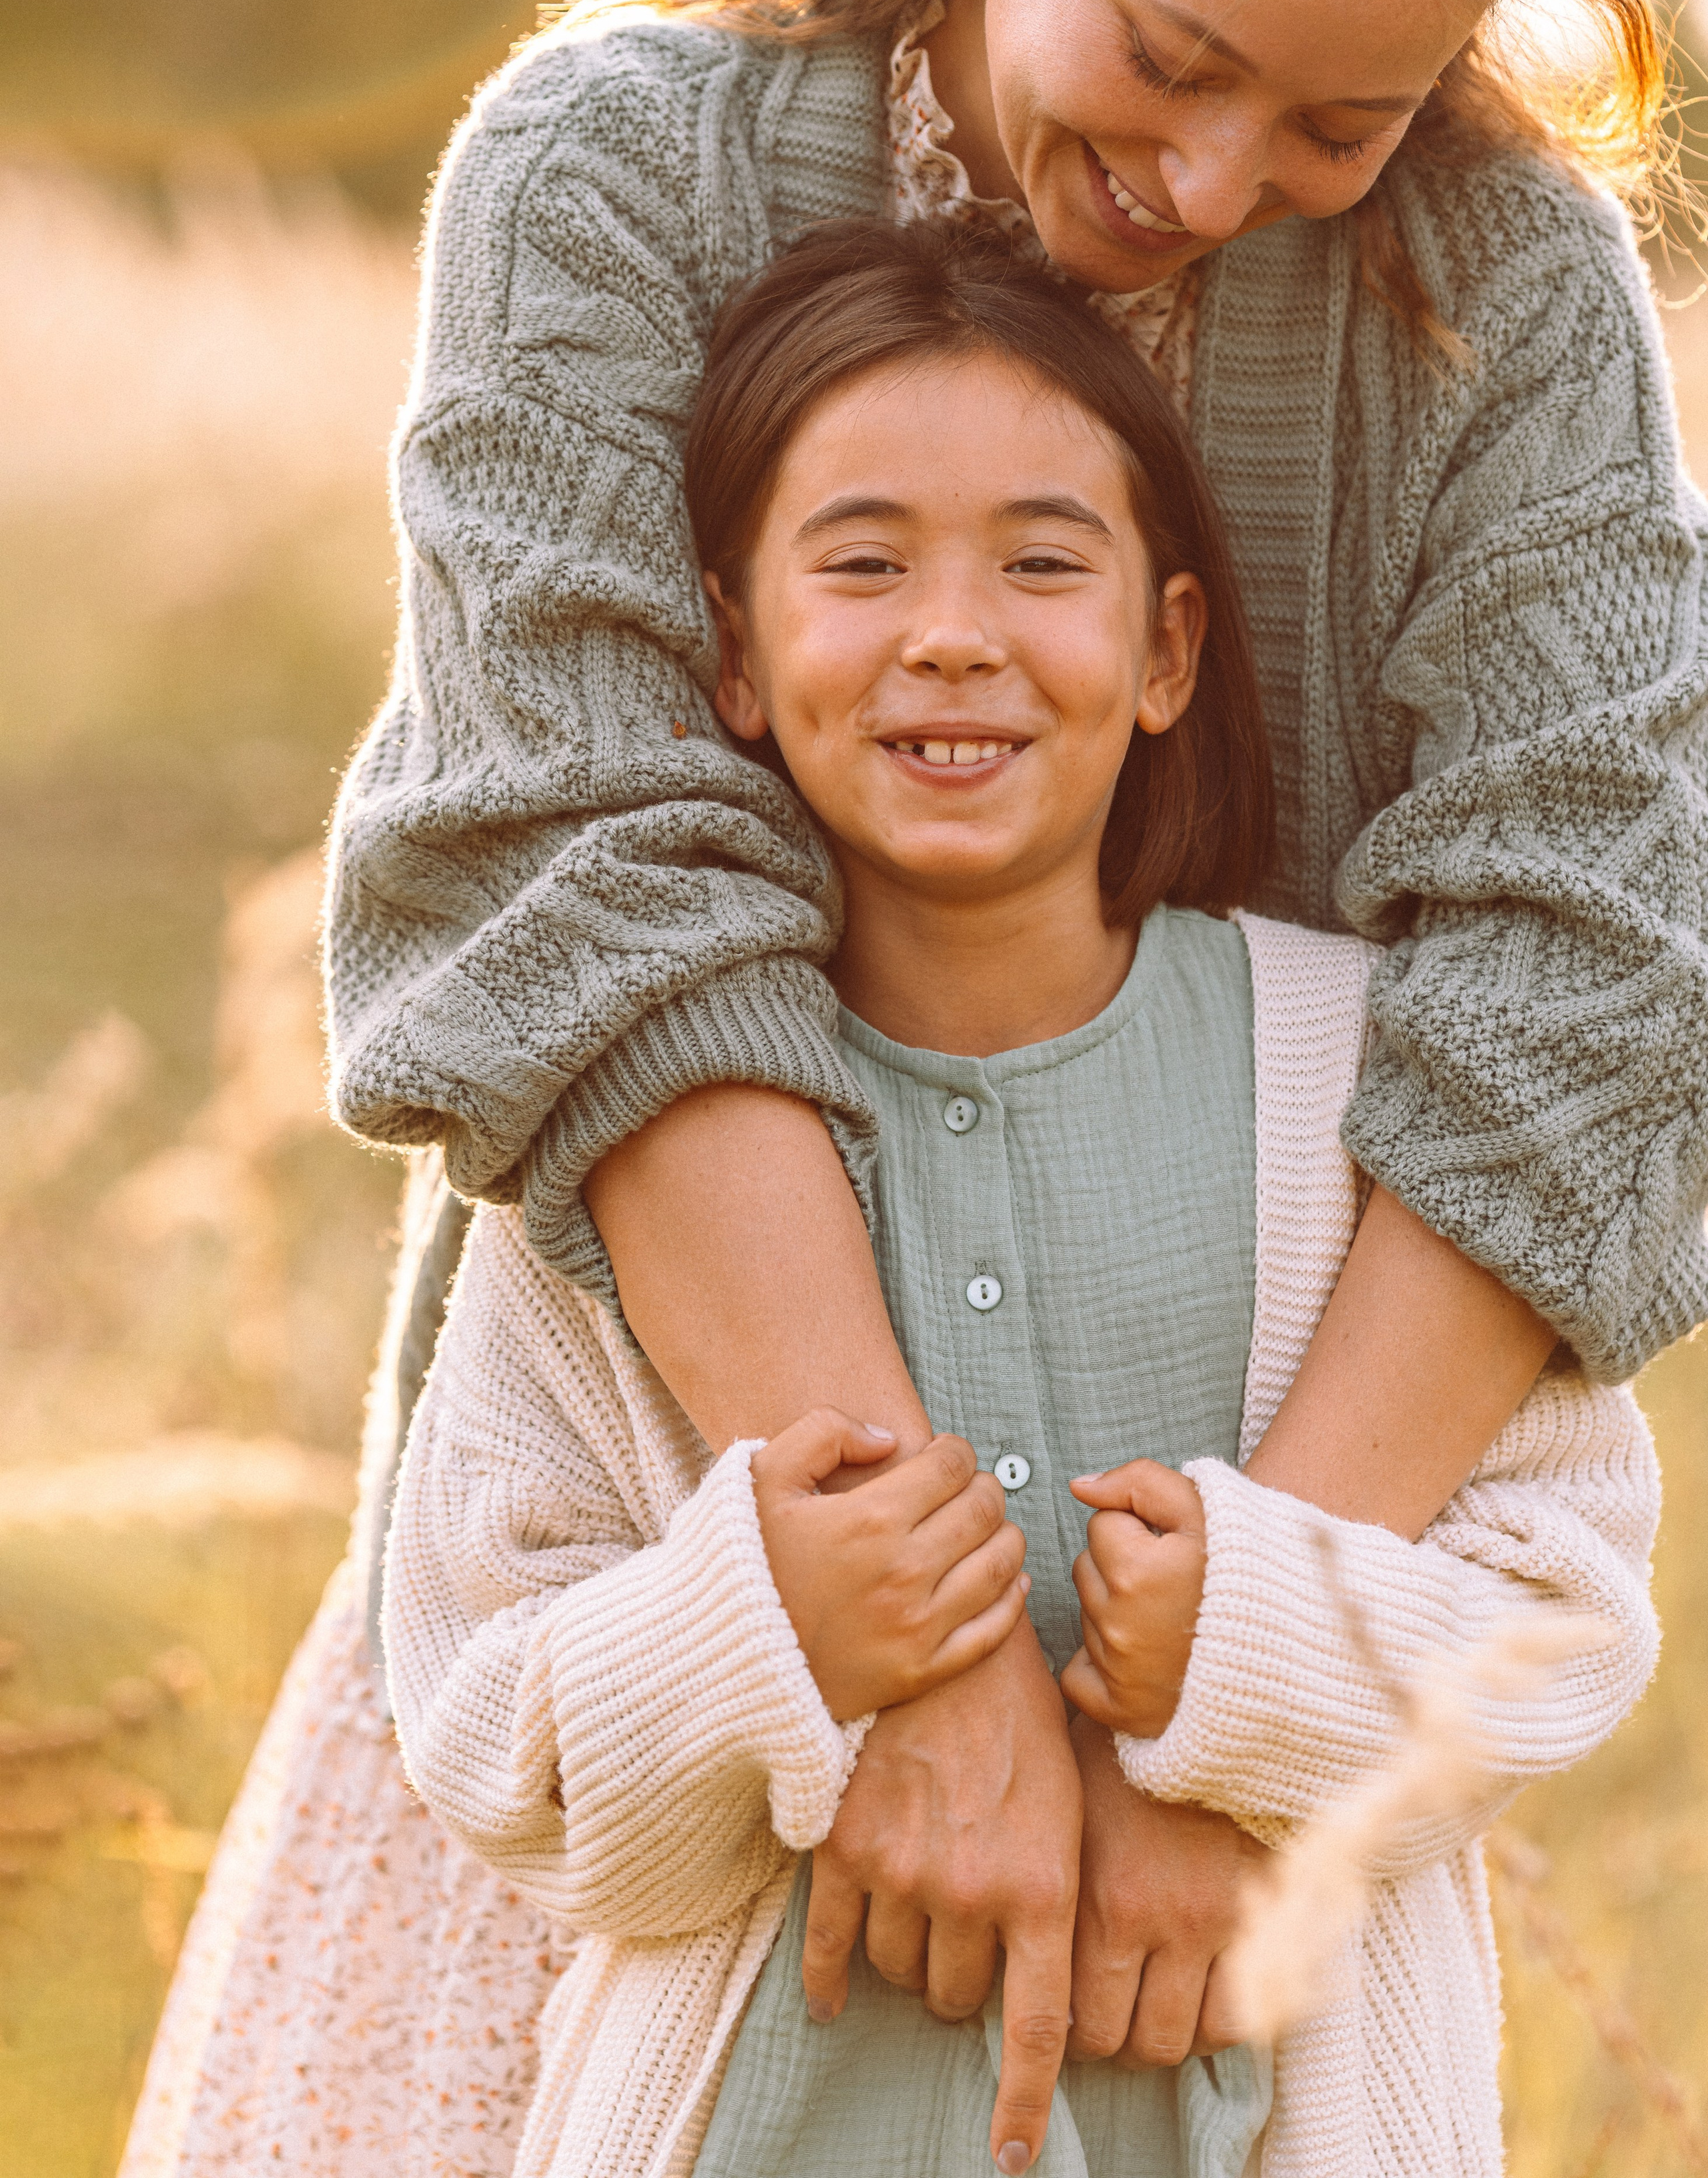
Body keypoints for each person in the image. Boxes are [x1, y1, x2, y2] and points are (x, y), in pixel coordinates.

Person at [120, 0, 1703, 2170]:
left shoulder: (1508, 293)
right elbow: (583, 876)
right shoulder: (612, 165)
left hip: (1283, 1565)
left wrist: (1245, 1713)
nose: (1207, 174)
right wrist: (918, 1674)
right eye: (1169, 55)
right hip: (696, 1555)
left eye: (1337, 122)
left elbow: (1593, 970)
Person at [380, 220, 1661, 2178]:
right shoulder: (643, 1137)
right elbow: (492, 1735)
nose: (953, 632)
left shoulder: (1352, 1078)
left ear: (1165, 654)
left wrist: (1263, 1655)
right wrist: (761, 1633)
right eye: (865, 562)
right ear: (730, 652)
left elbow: (1566, 1609)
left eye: (1043, 564)